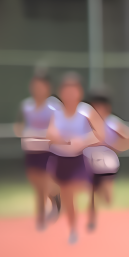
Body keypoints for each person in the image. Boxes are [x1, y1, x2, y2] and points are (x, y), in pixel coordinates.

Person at [46, 72, 105, 245]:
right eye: (66, 90)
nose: (70, 94)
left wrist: (83, 141)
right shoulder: (56, 113)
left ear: (80, 92)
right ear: (61, 92)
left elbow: (100, 134)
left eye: (73, 90)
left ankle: (90, 209)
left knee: (78, 188)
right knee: (67, 196)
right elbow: (50, 134)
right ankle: (72, 229)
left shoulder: (86, 111)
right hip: (59, 158)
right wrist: (57, 138)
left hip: (78, 159)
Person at [13, 70, 61, 231]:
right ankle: (47, 206)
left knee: (46, 183)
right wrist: (23, 133)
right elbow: (19, 126)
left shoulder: (54, 106)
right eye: (35, 85)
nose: (37, 89)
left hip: (49, 151)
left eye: (41, 85)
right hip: (31, 150)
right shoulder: (26, 106)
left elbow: (58, 127)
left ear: (48, 87)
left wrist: (47, 135)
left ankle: (45, 212)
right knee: (37, 184)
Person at [86, 89, 129, 233]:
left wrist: (117, 146)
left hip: (107, 163)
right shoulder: (88, 122)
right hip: (91, 161)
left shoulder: (112, 122)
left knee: (108, 197)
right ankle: (91, 220)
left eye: (101, 106)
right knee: (92, 192)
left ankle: (103, 202)